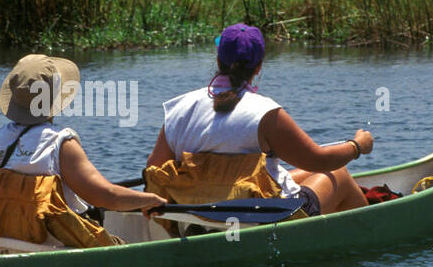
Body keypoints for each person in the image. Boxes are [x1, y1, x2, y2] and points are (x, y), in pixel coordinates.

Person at [145, 24, 372, 216]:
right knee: (338, 173)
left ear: (218, 59)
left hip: (201, 214)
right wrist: (357, 146)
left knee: (297, 175)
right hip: (262, 218)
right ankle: (369, 240)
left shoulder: (179, 108)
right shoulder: (266, 112)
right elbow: (320, 161)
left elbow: (154, 170)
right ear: (259, 66)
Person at [0, 54, 166, 247]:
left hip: (10, 238)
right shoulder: (59, 142)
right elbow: (104, 197)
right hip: (59, 242)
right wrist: (148, 199)